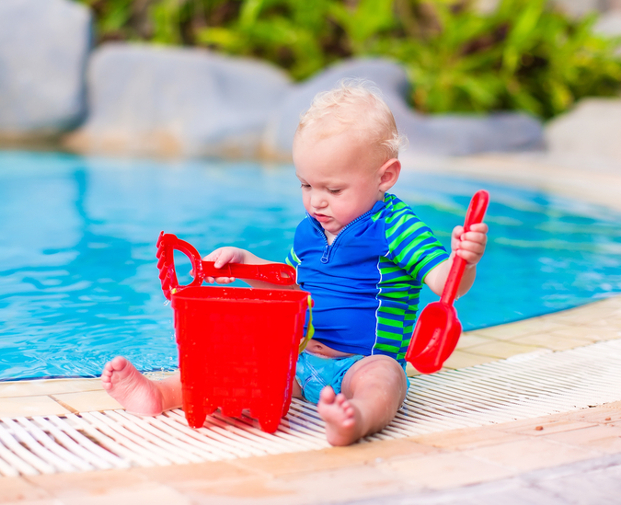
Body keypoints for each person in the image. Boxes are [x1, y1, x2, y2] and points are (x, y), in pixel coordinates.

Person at [101, 80, 489, 446]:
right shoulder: (310, 230)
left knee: (385, 380)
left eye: (333, 189)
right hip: (298, 356)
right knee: (232, 364)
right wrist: (246, 263)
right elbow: (290, 288)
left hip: (362, 362)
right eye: (306, 185)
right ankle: (161, 394)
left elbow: (446, 284)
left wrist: (463, 260)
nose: (317, 201)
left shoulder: (397, 227)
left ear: (384, 177)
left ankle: (355, 417)